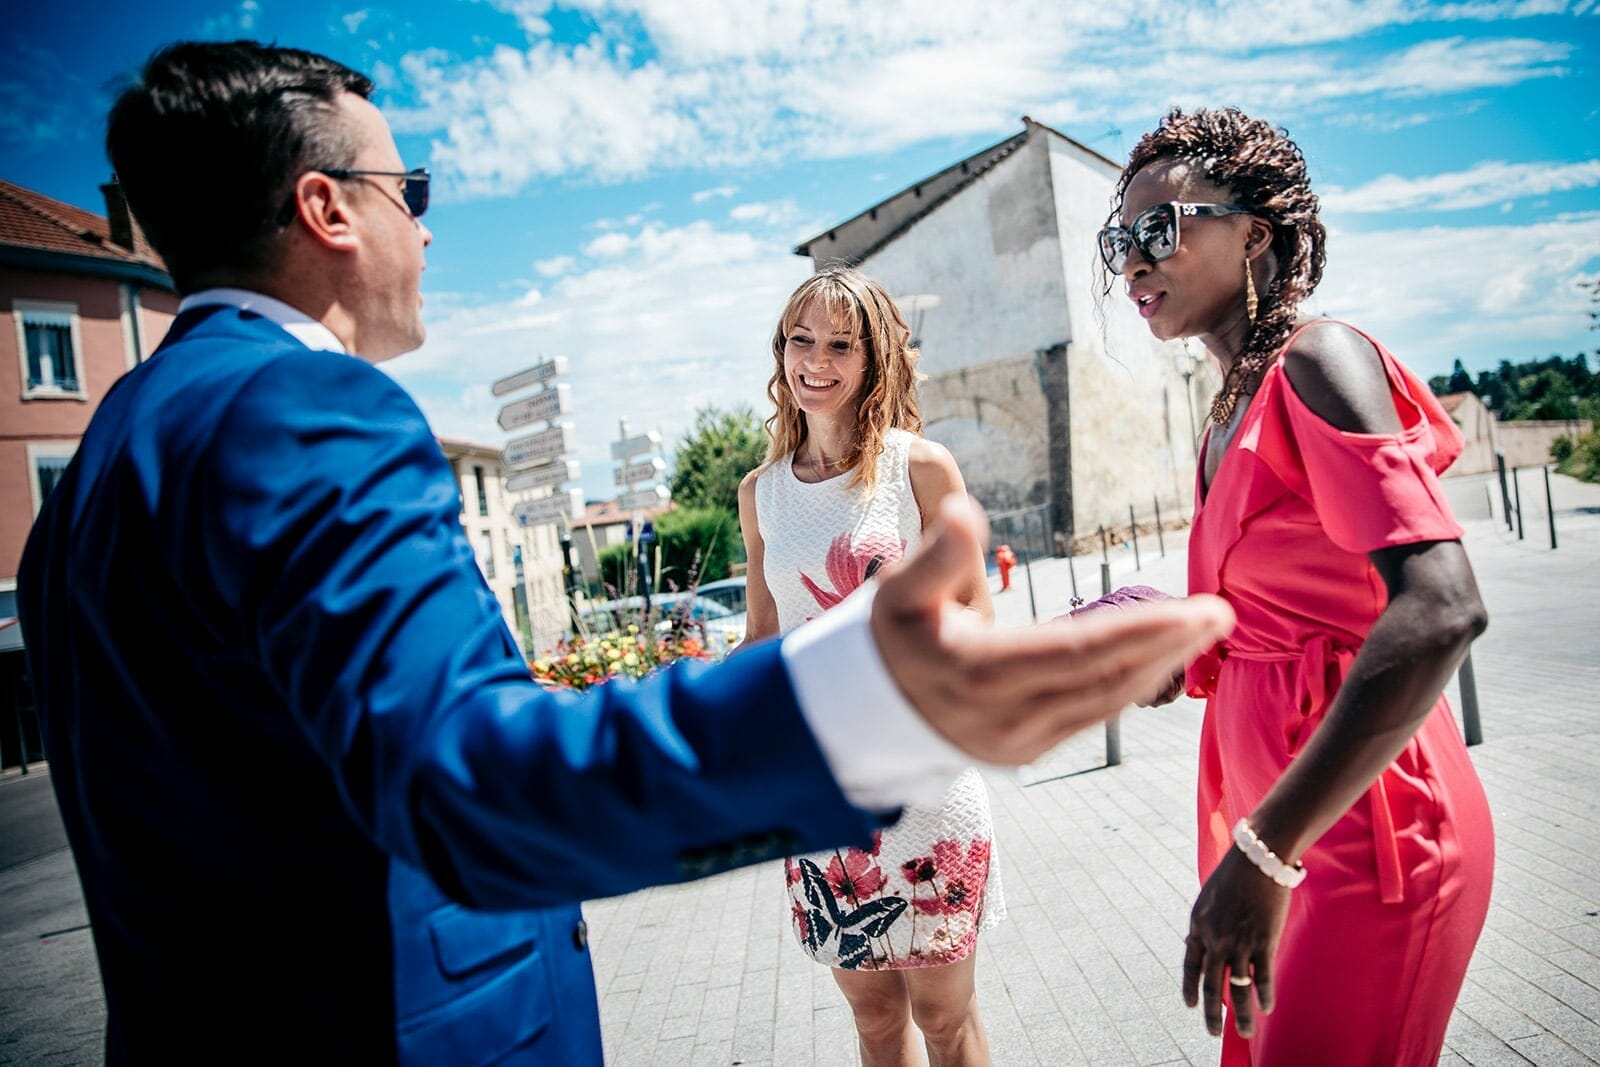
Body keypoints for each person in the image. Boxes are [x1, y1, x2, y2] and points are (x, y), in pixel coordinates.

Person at [15, 41, 1233, 1065]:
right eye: (413, 191)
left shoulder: (104, 460)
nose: (428, 234)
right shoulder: (304, 413)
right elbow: (466, 782)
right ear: (327, 209)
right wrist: (862, 707)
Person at [1098, 106, 1494, 1064]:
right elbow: (1289, 617)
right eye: (1120, 240)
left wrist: (1266, 850)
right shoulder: (1225, 414)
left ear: (1254, 234)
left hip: (1366, 834)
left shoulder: (1319, 361)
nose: (1132, 263)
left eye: (1160, 229)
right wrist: (1162, 640)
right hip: (1280, 831)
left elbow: (1442, 605)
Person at [738, 267, 1001, 1066]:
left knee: (945, 1017)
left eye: (840, 344)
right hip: (821, 797)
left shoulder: (920, 469)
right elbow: (761, 636)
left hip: (924, 783)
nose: (816, 360)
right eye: (800, 339)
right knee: (875, 1019)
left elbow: (979, 621)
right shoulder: (762, 493)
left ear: (873, 358)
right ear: (781, 351)